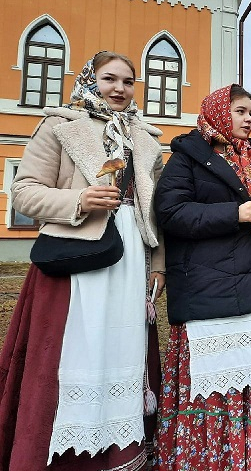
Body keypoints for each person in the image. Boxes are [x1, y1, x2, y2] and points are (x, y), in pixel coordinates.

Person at [1, 52, 164, 470]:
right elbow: (23, 192)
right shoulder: (59, 125)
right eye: (110, 79)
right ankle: (67, 454)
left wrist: (159, 263)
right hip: (77, 253)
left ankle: (121, 451)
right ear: (90, 80)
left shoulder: (144, 137)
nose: (120, 89)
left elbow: (154, 209)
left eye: (128, 82)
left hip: (131, 257)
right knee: (78, 348)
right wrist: (79, 199)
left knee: (120, 345)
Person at [153, 84, 251, 468]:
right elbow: (171, 213)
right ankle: (208, 458)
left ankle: (248, 455)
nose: (249, 119)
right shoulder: (188, 156)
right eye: (241, 111)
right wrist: (234, 214)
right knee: (213, 381)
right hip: (208, 287)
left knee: (248, 378)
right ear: (217, 112)